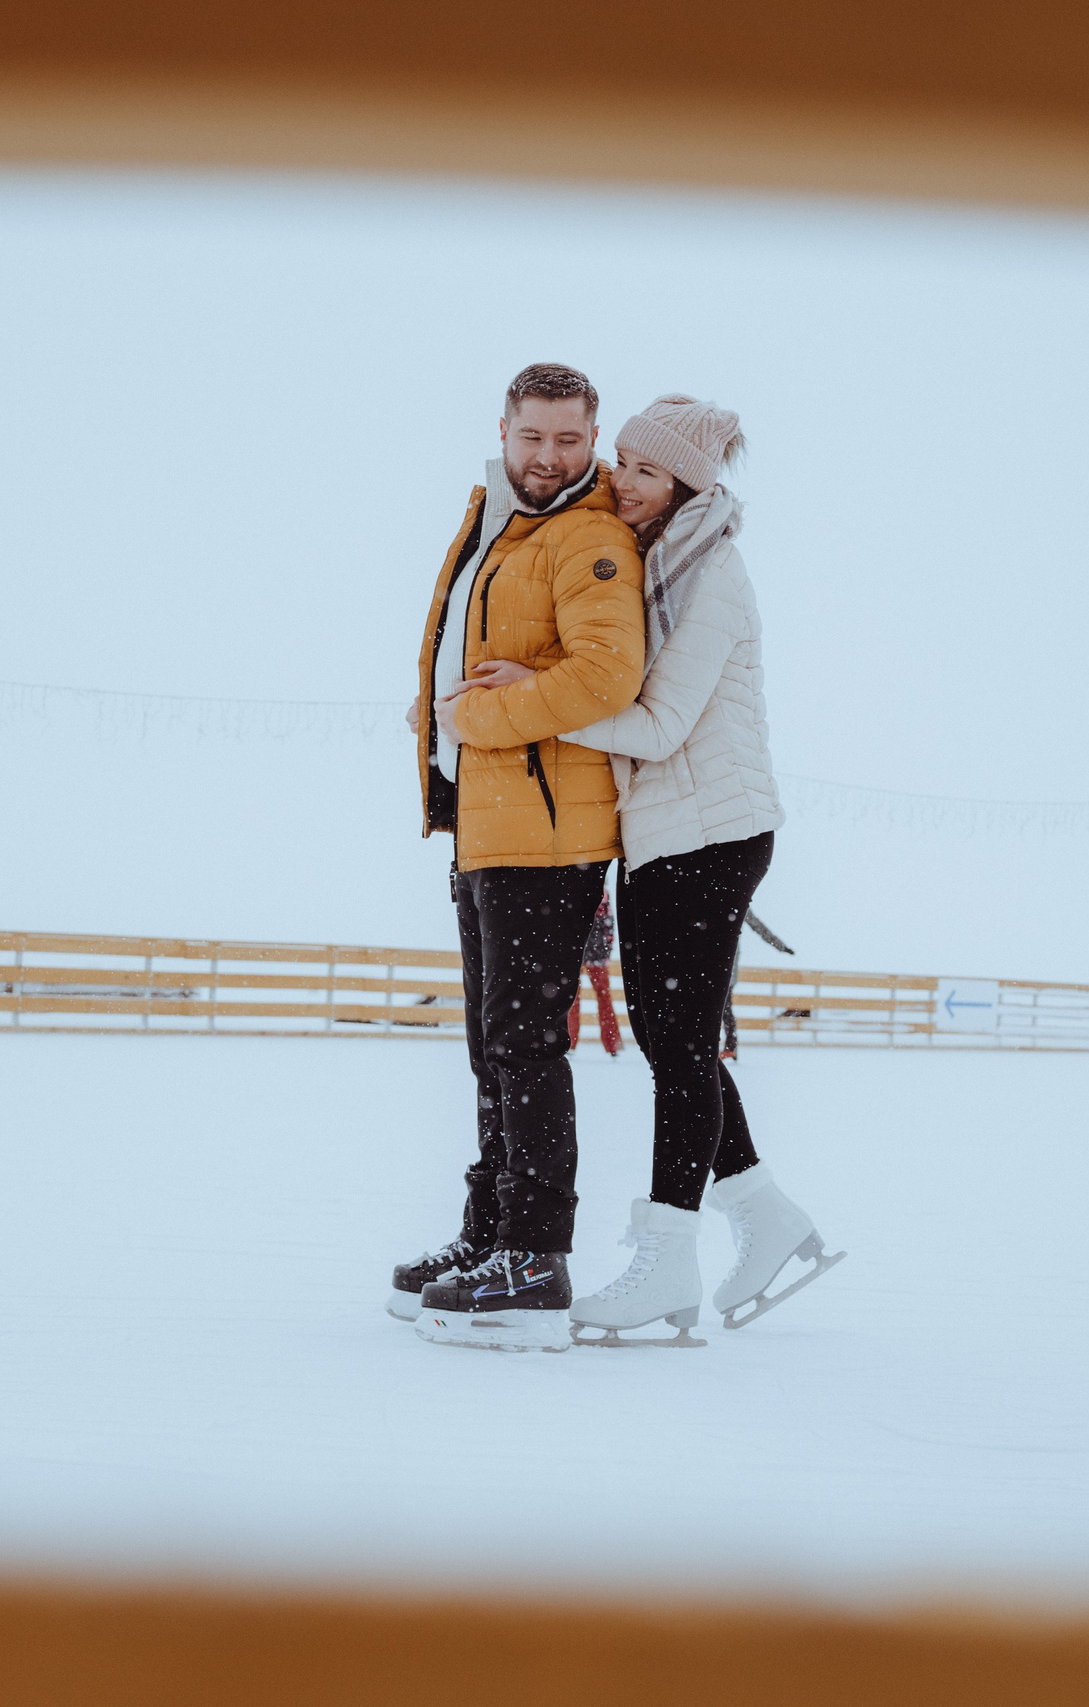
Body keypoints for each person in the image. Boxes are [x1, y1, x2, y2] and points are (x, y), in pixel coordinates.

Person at [556, 395, 843, 1348]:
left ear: (689, 482)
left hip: (711, 835)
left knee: (677, 1050)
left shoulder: (709, 573)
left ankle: (667, 1259)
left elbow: (659, 725)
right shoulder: (656, 560)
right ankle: (764, 1214)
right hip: (668, 834)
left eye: (644, 467)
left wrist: (537, 708)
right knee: (670, 1039)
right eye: (622, 461)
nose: (622, 479)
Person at [387, 363, 647, 1350]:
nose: (548, 458)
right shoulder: (500, 525)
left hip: (552, 831)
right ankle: (487, 1234)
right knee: (490, 1049)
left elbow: (607, 673)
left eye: (569, 442)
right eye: (533, 438)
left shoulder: (587, 536)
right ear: (503, 430)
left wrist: (481, 714)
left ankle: (534, 1255)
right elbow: (472, 660)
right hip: (491, 823)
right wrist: (440, 716)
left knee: (525, 1049)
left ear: (593, 440)